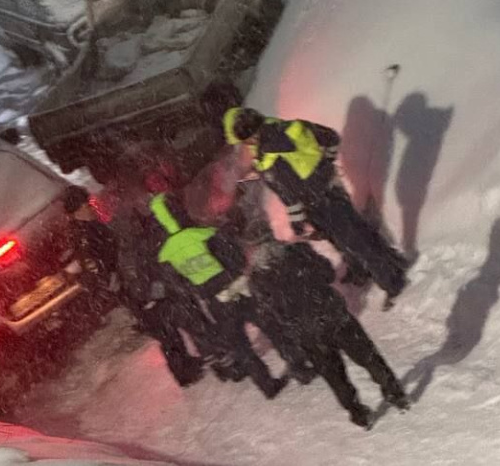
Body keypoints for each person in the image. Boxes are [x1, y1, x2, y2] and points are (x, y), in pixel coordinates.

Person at [223, 107, 409, 307]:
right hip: (323, 193)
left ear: (247, 133)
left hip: (319, 200)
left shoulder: (273, 149)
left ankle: (393, 280)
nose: (243, 146)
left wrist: (297, 221)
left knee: (355, 238)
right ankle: (362, 269)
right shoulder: (284, 128)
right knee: (346, 236)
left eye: (242, 141)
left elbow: (288, 190)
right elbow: (330, 137)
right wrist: (324, 166)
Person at [250, 238, 410, 429]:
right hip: (333, 315)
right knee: (368, 357)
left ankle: (358, 414)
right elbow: (327, 273)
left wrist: (292, 333)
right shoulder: (298, 251)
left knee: (335, 376)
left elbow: (268, 317)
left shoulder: (258, 279)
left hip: (307, 334)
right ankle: (395, 393)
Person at [147, 191, 288, 398]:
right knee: (269, 323)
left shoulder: (165, 253)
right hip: (233, 287)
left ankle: (266, 385)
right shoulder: (200, 233)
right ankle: (298, 362)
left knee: (240, 344)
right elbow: (228, 249)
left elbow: (176, 283)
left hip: (214, 299)